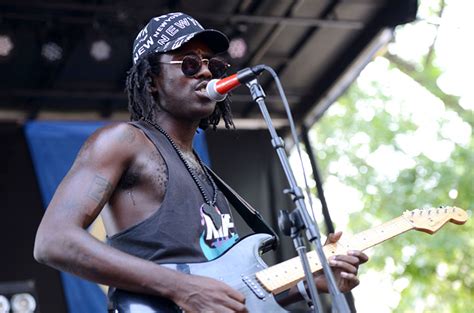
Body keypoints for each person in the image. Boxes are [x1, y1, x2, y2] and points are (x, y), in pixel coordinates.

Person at [34, 12, 368, 313]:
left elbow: (235, 295)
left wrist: (306, 284)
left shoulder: (206, 178)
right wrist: (182, 287)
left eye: (213, 64)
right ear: (151, 80)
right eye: (189, 63)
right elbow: (53, 241)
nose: (206, 70)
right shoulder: (123, 141)